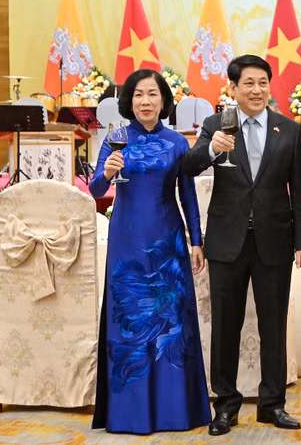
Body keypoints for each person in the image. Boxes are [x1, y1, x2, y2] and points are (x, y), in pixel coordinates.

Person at [182, 54, 301, 436]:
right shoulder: (214, 125)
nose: (257, 90)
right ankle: (225, 405)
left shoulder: (287, 130)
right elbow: (187, 168)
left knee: (273, 325)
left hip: (275, 240)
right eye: (248, 84)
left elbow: (300, 192)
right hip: (226, 242)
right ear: (233, 89)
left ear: (270, 87)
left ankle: (272, 404)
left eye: (263, 83)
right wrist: (210, 149)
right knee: (226, 326)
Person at [89, 69, 211, 434]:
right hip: (126, 241)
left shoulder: (177, 142)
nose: (146, 101)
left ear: (163, 101)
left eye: (153, 95)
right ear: (129, 101)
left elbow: (187, 195)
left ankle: (174, 411)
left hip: (167, 242)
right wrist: (107, 174)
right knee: (129, 321)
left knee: (169, 324)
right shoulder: (115, 139)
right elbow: (95, 190)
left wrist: (196, 241)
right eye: (139, 95)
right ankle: (129, 413)